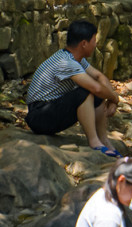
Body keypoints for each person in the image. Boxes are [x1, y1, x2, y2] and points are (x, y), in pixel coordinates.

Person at [26, 20, 121, 155]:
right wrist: (115, 98)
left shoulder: (77, 59)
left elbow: (100, 77)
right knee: (85, 92)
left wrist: (110, 98)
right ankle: (94, 142)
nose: (95, 44)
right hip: (39, 116)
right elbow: (96, 88)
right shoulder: (66, 62)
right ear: (84, 43)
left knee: (96, 94)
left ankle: (103, 140)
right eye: (94, 40)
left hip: (50, 111)